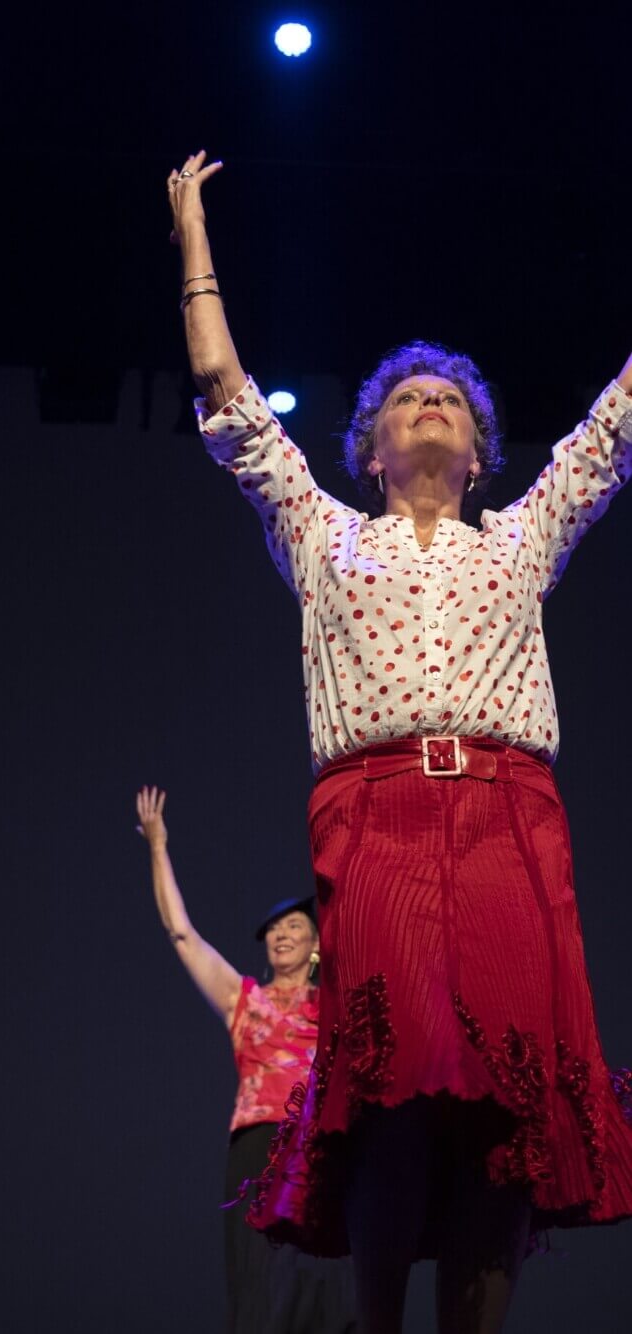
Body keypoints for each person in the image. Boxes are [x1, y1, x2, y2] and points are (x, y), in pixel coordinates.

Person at [166, 150, 632, 1334]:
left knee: (503, 1094)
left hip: (509, 816)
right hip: (374, 817)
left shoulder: (522, 537)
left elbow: (615, 425)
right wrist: (193, 235)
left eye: (453, 400)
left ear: (480, 453)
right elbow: (226, 397)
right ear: (370, 449)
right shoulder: (323, 533)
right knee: (393, 1086)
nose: (431, 400)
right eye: (406, 398)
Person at [135, 785, 357, 1334]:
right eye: (273, 930)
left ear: (316, 946)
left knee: (328, 1281)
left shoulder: (337, 1006)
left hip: (321, 1145)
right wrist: (158, 846)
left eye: (294, 926)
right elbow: (182, 935)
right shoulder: (245, 1000)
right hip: (258, 1144)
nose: (280, 934)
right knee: (260, 1281)